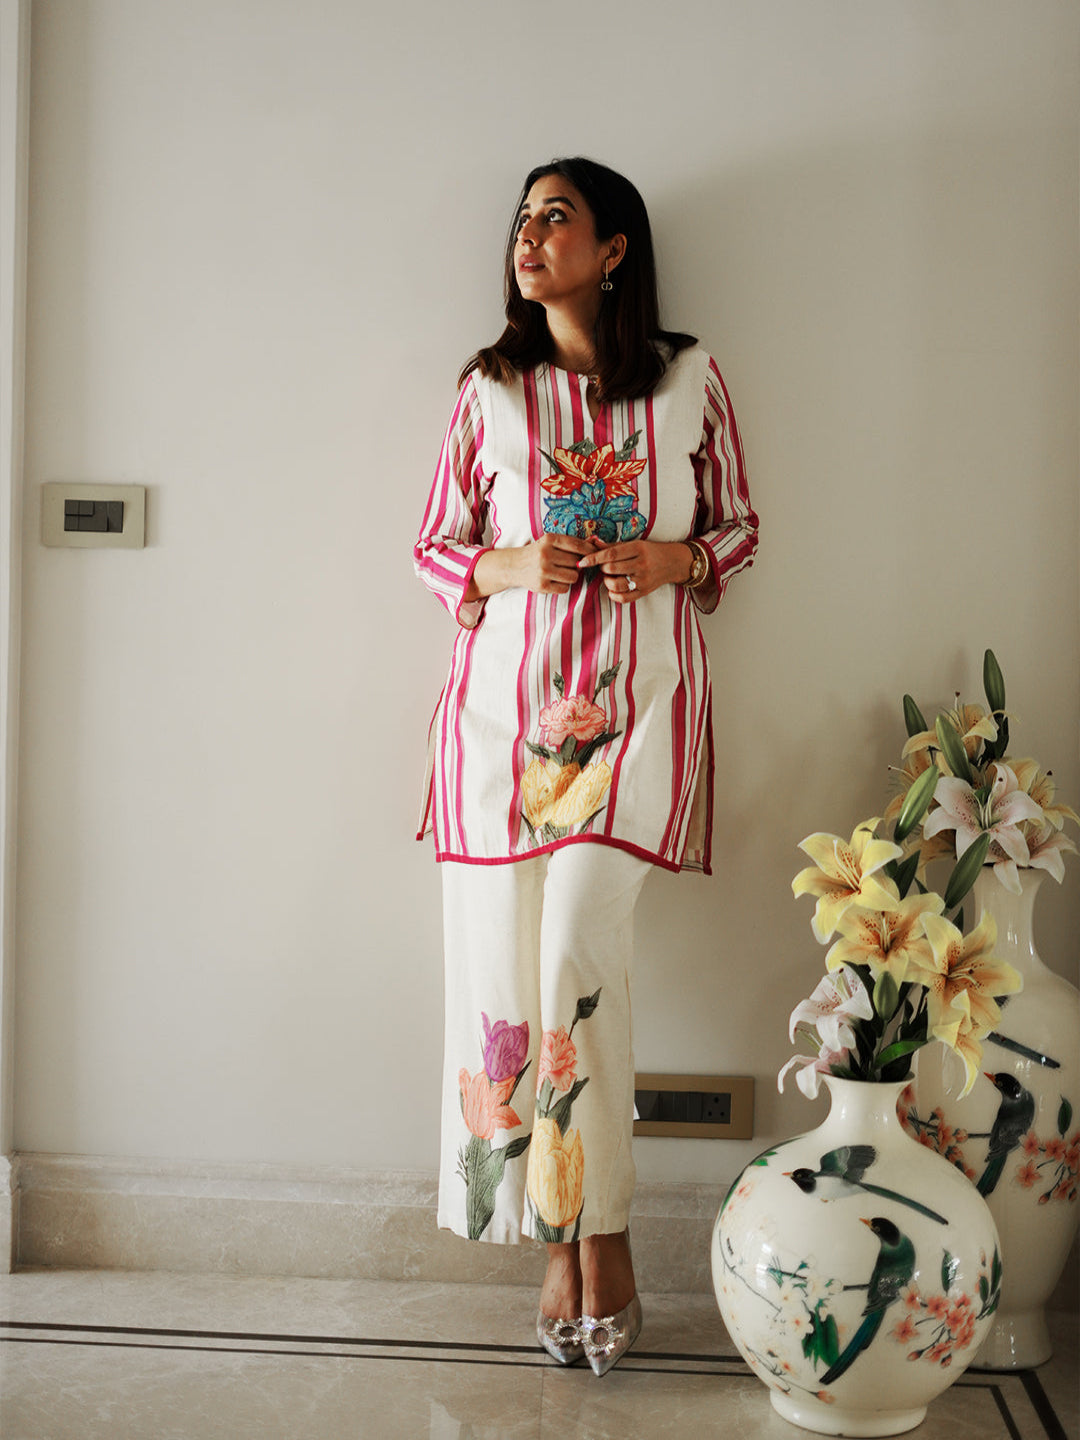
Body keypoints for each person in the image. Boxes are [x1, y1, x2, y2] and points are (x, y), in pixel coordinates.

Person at [413, 157, 758, 1376]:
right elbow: (435, 546)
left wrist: (677, 560)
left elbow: (738, 527)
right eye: (522, 218)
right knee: (506, 979)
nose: (529, 235)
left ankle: (601, 1229)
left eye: (556, 216)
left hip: (639, 715)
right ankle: (563, 1245)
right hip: (498, 729)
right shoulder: (491, 389)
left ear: (614, 249)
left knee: (575, 954)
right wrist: (510, 564)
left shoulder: (688, 379)